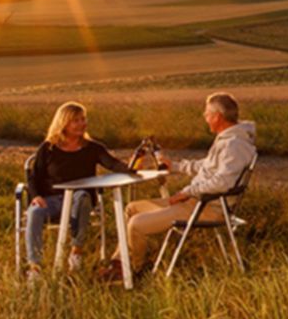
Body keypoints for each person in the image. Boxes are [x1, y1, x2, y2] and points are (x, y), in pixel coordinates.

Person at [104, 92, 257, 277]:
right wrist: (176, 166)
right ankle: (119, 263)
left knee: (136, 224)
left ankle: (132, 271)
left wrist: (187, 192)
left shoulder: (235, 145)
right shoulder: (227, 139)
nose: (205, 117)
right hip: (194, 203)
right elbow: (207, 166)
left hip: (206, 208)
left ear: (217, 117)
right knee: (132, 208)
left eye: (207, 114)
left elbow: (223, 182)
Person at [24, 101, 136, 283]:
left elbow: (112, 163)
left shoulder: (93, 148)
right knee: (34, 212)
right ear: (63, 123)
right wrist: (36, 196)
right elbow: (34, 177)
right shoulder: (48, 148)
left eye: (83, 119)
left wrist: (130, 167)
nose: (82, 124)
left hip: (80, 200)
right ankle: (35, 267)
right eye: (76, 120)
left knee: (83, 196)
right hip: (52, 199)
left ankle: (76, 253)